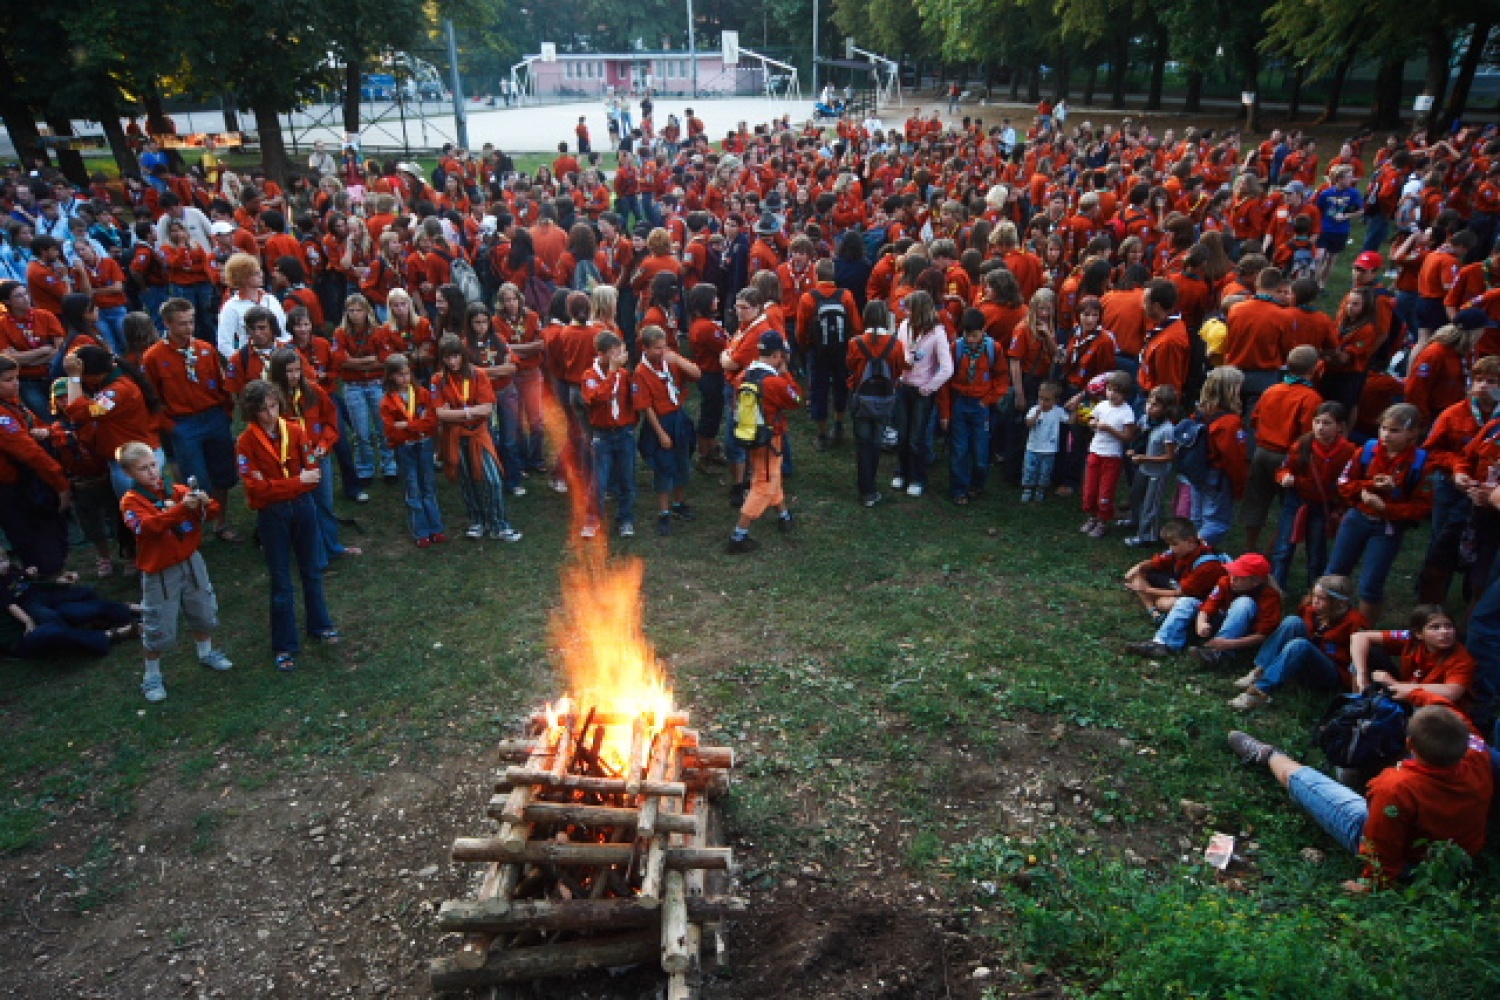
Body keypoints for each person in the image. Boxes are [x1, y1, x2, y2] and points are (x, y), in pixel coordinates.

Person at [1227, 702, 1492, 889]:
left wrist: (1371, 883)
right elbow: (1452, 715)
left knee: (1305, 782)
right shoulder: (1478, 754)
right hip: (1459, 860)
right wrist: (1414, 692)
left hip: (1411, 866)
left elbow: (1380, 844)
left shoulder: (1396, 786)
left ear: (1410, 744)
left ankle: (1270, 756)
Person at [234, 380, 339, 673]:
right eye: (263, 409)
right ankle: (284, 645)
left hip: (303, 508)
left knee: (311, 570)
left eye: (273, 406)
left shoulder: (294, 429)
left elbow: (313, 473)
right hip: (272, 514)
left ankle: (320, 625)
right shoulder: (246, 442)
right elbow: (256, 489)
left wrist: (279, 486)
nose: (269, 413)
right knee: (281, 580)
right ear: (252, 412)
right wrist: (293, 484)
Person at [118, 441, 232, 701]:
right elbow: (148, 528)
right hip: (160, 571)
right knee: (159, 622)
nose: (151, 473)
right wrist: (183, 509)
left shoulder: (177, 490)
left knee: (202, 606)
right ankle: (151, 676)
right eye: (142, 469)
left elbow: (212, 512)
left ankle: (206, 651)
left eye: (152, 465)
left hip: (190, 560)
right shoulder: (131, 502)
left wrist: (204, 502)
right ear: (129, 474)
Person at [141, 298, 241, 542]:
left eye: (191, 322)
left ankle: (220, 522)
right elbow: (151, 398)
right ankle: (195, 524)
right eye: (182, 324)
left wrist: (226, 413)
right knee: (194, 478)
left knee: (223, 473)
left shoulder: (205, 349)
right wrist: (170, 426)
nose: (189, 329)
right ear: (167, 324)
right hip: (184, 423)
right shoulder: (153, 357)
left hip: (214, 416)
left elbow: (221, 384)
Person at [1326, 403, 1433, 624]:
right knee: (1334, 573)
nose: (1386, 435)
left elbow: (1422, 507)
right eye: (1383, 428)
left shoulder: (1421, 464)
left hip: (1388, 527)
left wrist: (1387, 508)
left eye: (1395, 431)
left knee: (1371, 584)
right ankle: (1323, 622)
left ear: (1413, 433)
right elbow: (1344, 483)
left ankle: (1362, 634)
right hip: (1357, 518)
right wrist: (1371, 485)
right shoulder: (1367, 451)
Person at [267, 348, 358, 564]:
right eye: (288, 371)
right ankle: (313, 556)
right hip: (292, 464)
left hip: (318, 458)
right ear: (279, 373)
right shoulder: (272, 400)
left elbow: (330, 420)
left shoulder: (314, 391)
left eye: (297, 370)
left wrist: (324, 444)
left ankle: (332, 547)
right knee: (304, 510)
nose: (294, 376)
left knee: (324, 503)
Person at [1229, 574, 1367, 710]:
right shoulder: (1310, 609)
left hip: (1330, 673)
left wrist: (1356, 692)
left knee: (1300, 645)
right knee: (1292, 621)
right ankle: (1260, 671)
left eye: (1321, 598)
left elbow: (1358, 662)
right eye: (1314, 596)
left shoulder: (1355, 623)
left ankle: (1259, 692)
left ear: (1340, 603)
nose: (1315, 601)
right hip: (1305, 658)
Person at [432, 334, 520, 542]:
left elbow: (487, 408)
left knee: (492, 479)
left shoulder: (478, 374)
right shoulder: (438, 380)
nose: (452, 362)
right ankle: (478, 521)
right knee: (467, 481)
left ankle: (499, 525)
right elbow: (439, 413)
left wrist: (457, 413)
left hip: (478, 434)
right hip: (455, 436)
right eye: (447, 358)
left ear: (462, 356)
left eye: (455, 357)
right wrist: (471, 411)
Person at [1241, 345, 1323, 552]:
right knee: (1289, 504)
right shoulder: (1311, 398)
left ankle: (1250, 547)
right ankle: (1272, 549)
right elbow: (1308, 434)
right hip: (1288, 457)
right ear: (1314, 369)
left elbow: (1254, 419)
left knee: (1257, 500)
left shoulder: (1271, 390)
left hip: (1261, 452)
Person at [727, 332, 803, 554]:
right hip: (770, 439)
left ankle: (783, 514)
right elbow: (796, 399)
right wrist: (787, 374)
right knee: (763, 483)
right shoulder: (774, 382)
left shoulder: (743, 376)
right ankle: (739, 535)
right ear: (778, 355)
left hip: (749, 436)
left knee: (770, 474)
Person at [1270, 401, 1356, 589]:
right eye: (1317, 422)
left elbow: (1351, 479)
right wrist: (1285, 477)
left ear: (1340, 427)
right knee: (1284, 548)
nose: (1320, 428)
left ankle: (1315, 592)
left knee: (1317, 552)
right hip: (1297, 500)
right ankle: (1276, 588)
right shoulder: (1303, 445)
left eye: (1327, 423)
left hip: (1322, 505)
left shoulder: (1349, 452)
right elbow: (1283, 469)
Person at [0, 548, 137, 660]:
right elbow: (11, 606)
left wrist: (55, 583)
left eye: (4, 560)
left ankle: (127, 611)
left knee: (83, 601)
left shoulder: (10, 572)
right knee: (53, 629)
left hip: (40, 604)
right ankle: (111, 634)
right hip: (23, 634)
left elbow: (29, 585)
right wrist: (27, 621)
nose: (4, 564)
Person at [1123, 518, 1232, 656]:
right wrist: (1138, 567)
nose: (1171, 548)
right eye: (1169, 544)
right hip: (1180, 587)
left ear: (1191, 541)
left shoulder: (1208, 565)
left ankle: (1164, 644)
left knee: (1174, 603)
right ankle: (1155, 614)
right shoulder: (1180, 551)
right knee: (1139, 575)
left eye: (1174, 544)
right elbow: (1157, 562)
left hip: (1204, 603)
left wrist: (1146, 590)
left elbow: (1182, 593)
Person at [633, 325, 702, 536]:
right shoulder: (641, 373)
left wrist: (678, 360)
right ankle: (664, 512)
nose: (661, 352)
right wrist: (661, 433)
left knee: (682, 461)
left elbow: (697, 374)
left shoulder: (670, 361)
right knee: (663, 467)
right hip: (660, 421)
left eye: (663, 347)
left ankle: (679, 503)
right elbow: (646, 407)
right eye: (656, 349)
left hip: (677, 416)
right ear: (645, 348)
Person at [1349, 605, 1477, 717]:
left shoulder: (1461, 659)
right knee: (1367, 654)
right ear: (1419, 634)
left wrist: (1394, 685)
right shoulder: (1410, 639)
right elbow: (1359, 636)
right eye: (1435, 627)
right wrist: (1362, 675)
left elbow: (1451, 692)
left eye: (1448, 626)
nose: (1444, 632)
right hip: (1404, 689)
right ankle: (1359, 706)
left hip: (1435, 706)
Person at [845, 300, 907, 507]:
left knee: (862, 444)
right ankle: (871, 485)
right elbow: (898, 369)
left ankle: (866, 489)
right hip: (885, 399)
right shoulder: (895, 344)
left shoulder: (856, 343)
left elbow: (851, 366)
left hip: (862, 399)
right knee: (876, 442)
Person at [380, 354, 446, 547]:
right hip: (404, 448)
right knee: (412, 487)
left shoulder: (422, 393)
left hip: (424, 444)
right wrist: (418, 424)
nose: (405, 378)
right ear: (391, 376)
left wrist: (408, 425)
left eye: (407, 373)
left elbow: (432, 421)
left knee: (428, 485)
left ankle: (436, 527)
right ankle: (421, 531)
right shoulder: (387, 402)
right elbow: (392, 432)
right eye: (400, 375)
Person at [891, 291, 952, 497]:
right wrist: (899, 372)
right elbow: (898, 352)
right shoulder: (904, 326)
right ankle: (902, 472)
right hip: (903, 386)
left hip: (922, 392)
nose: (905, 312)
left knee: (916, 437)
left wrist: (929, 387)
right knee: (903, 434)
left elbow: (947, 368)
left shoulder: (937, 333)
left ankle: (918, 477)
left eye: (909, 308)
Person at [942, 307, 1004, 504]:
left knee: (980, 450)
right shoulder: (956, 349)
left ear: (983, 331)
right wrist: (945, 413)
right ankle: (959, 489)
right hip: (960, 402)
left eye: (975, 335)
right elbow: (945, 382)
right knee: (959, 449)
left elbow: (1001, 378)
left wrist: (988, 399)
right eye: (967, 335)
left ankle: (977, 484)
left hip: (981, 405)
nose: (970, 340)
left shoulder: (994, 349)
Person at [581, 329, 638, 540]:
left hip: (624, 433)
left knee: (627, 480)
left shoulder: (624, 375)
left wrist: (631, 424)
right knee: (599, 481)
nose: (620, 357)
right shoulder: (590, 376)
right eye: (615, 353)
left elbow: (631, 401)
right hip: (602, 436)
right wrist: (613, 372)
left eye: (621, 352)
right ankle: (592, 519)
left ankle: (625, 519)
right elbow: (596, 399)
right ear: (602, 354)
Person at [1080, 371, 1136, 537]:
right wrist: (1093, 423)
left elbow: (1128, 436)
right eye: (1110, 389)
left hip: (1112, 456)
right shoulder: (1101, 406)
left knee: (1106, 491)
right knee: (1090, 489)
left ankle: (1103, 520)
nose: (1112, 394)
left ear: (1125, 394)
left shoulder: (1127, 412)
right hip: (1095, 451)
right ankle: (1092, 517)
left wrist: (1109, 429)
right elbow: (1092, 421)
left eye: (1117, 392)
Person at [1124, 384, 1180, 546]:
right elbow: (1138, 437)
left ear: (1166, 408)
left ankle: (1147, 536)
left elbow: (1169, 456)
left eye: (1155, 405)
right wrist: (1133, 450)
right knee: (1136, 496)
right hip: (1143, 468)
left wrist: (1145, 458)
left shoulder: (1167, 429)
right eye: (1149, 402)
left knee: (1151, 504)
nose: (1149, 407)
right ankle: (1135, 521)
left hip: (1157, 473)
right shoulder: (1145, 420)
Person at [0, 279, 64, 417]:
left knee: (71, 411)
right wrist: (44, 350)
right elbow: (9, 360)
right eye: (19, 296)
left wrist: (25, 358)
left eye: (26, 294)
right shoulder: (2, 325)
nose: (25, 298)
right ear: (7, 301)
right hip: (28, 381)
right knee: (47, 417)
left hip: (54, 374)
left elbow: (60, 349)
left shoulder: (45, 315)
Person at [1022, 380, 1068, 503]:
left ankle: (1040, 490)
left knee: (1045, 471)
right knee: (1030, 469)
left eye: (1047, 399)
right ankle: (1027, 489)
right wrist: (1036, 415)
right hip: (1033, 447)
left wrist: (1074, 410)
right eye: (1040, 398)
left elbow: (1069, 421)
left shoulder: (1058, 411)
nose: (1043, 402)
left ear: (1056, 400)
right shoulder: (1034, 409)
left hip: (1049, 449)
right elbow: (1028, 424)